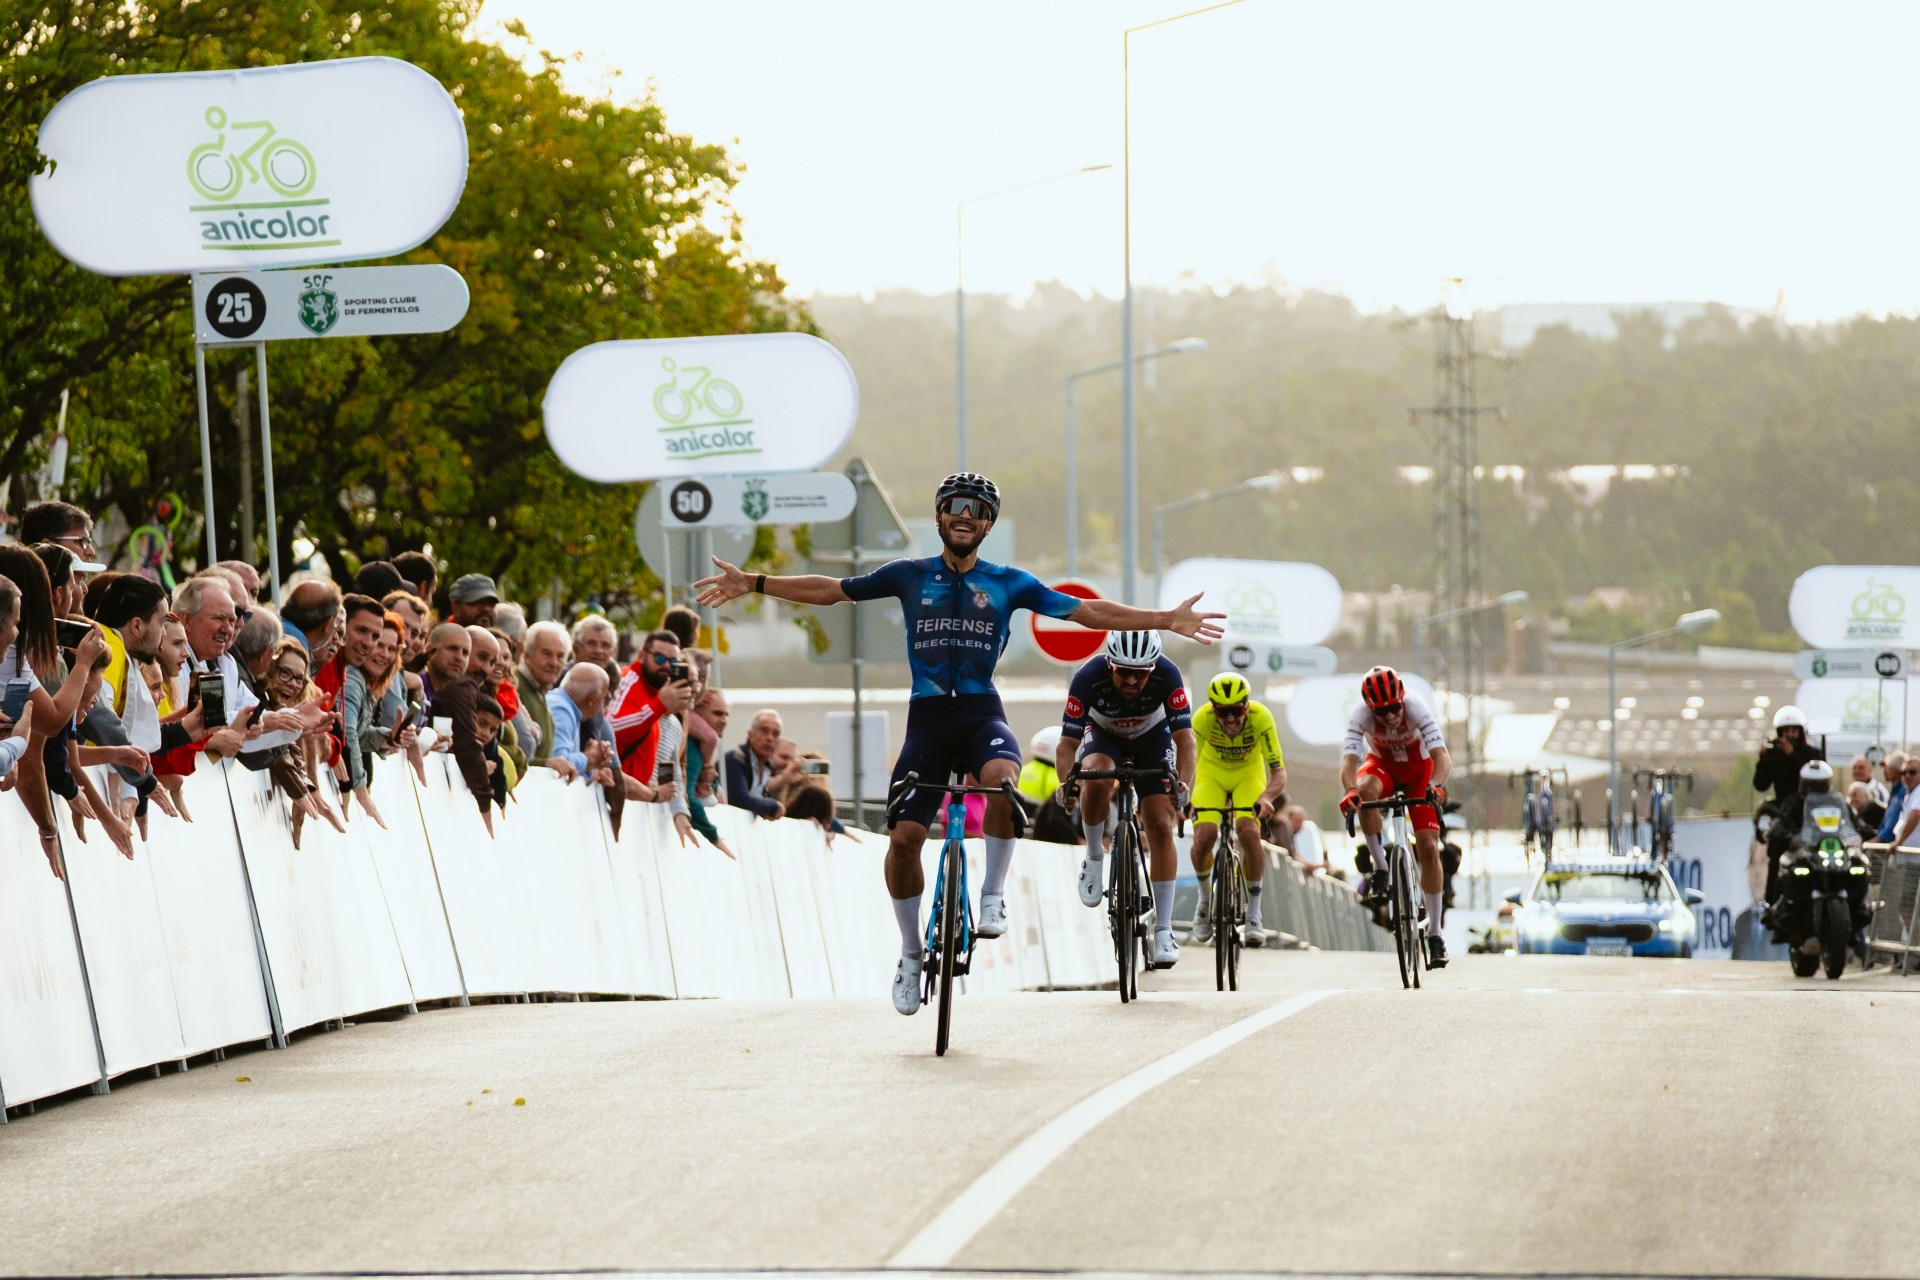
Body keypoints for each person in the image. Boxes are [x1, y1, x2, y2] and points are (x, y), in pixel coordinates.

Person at [695, 470, 1224, 1016]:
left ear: (988, 523)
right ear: (942, 516)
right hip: (926, 720)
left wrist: (1166, 620)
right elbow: (831, 591)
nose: (965, 515)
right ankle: (909, 952)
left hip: (980, 715)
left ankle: (991, 894)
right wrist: (755, 582)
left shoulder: (1008, 582)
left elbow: (1088, 613)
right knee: (903, 839)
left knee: (1001, 783)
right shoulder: (908, 574)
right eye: (955, 507)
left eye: (976, 509)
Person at [1053, 630, 1195, 967]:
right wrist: (1067, 782)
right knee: (1097, 776)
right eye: (1123, 672)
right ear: (1109, 664)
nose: (1131, 680)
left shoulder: (1169, 674)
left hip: (1152, 739)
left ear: (1152, 668)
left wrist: (1184, 785)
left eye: (1141, 674)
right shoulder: (1087, 677)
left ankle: (1163, 930)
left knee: (1161, 824)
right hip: (1102, 737)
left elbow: (1186, 741)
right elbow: (1066, 745)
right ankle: (1093, 856)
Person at [1339, 665, 1453, 969]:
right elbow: (1349, 761)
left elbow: (1442, 757)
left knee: (1429, 847)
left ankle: (1436, 934)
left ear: (1402, 699)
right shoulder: (1360, 715)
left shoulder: (1416, 706)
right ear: (1370, 709)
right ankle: (1380, 869)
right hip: (1382, 768)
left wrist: (1437, 788)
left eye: (1394, 708)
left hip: (1420, 772)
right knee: (1363, 790)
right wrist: (1350, 791)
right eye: (1382, 711)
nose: (1390, 716)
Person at [1181, 671, 1287, 949]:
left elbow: (1279, 773)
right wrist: (1185, 796)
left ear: (1247, 706)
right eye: (1223, 712)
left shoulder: (1261, 718)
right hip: (1211, 774)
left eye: (1237, 711)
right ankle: (1204, 901)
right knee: (1204, 836)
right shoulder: (1201, 720)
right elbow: (1189, 762)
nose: (1230, 719)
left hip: (1247, 774)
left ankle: (1254, 912)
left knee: (1248, 831)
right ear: (1213, 710)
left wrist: (1266, 798)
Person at [608, 629, 696, 785]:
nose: (667, 666)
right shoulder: (628, 680)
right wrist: (659, 706)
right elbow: (611, 727)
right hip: (618, 792)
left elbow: (672, 765)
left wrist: (674, 804)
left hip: (643, 800)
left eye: (673, 662)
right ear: (641, 656)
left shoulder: (674, 718)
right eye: (660, 658)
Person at [545, 662, 620, 788]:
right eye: (605, 696)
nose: (603, 703)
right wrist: (588, 757)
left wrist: (592, 766)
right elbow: (559, 763)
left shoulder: (569, 708)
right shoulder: (561, 710)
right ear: (592, 699)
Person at [725, 708, 798, 819]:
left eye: (775, 734)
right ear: (750, 734)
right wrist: (773, 806)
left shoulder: (769, 767)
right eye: (764, 731)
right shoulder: (735, 759)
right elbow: (739, 800)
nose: (769, 738)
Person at [518, 620, 569, 771]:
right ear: (527, 655)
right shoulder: (514, 686)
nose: (554, 663)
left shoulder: (540, 692)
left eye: (560, 656)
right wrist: (545, 764)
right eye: (546, 654)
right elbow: (509, 753)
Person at [1753, 705, 1824, 808]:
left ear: (1800, 733)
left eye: (1793, 731)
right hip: (1783, 810)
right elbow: (1761, 785)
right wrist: (1762, 761)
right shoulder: (1775, 755)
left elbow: (1814, 779)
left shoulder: (1812, 753)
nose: (1790, 735)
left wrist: (1792, 755)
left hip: (1808, 806)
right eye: (1786, 731)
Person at [279, 579, 342, 655]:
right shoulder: (298, 650)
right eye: (336, 622)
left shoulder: (269, 625)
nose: (336, 638)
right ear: (328, 624)